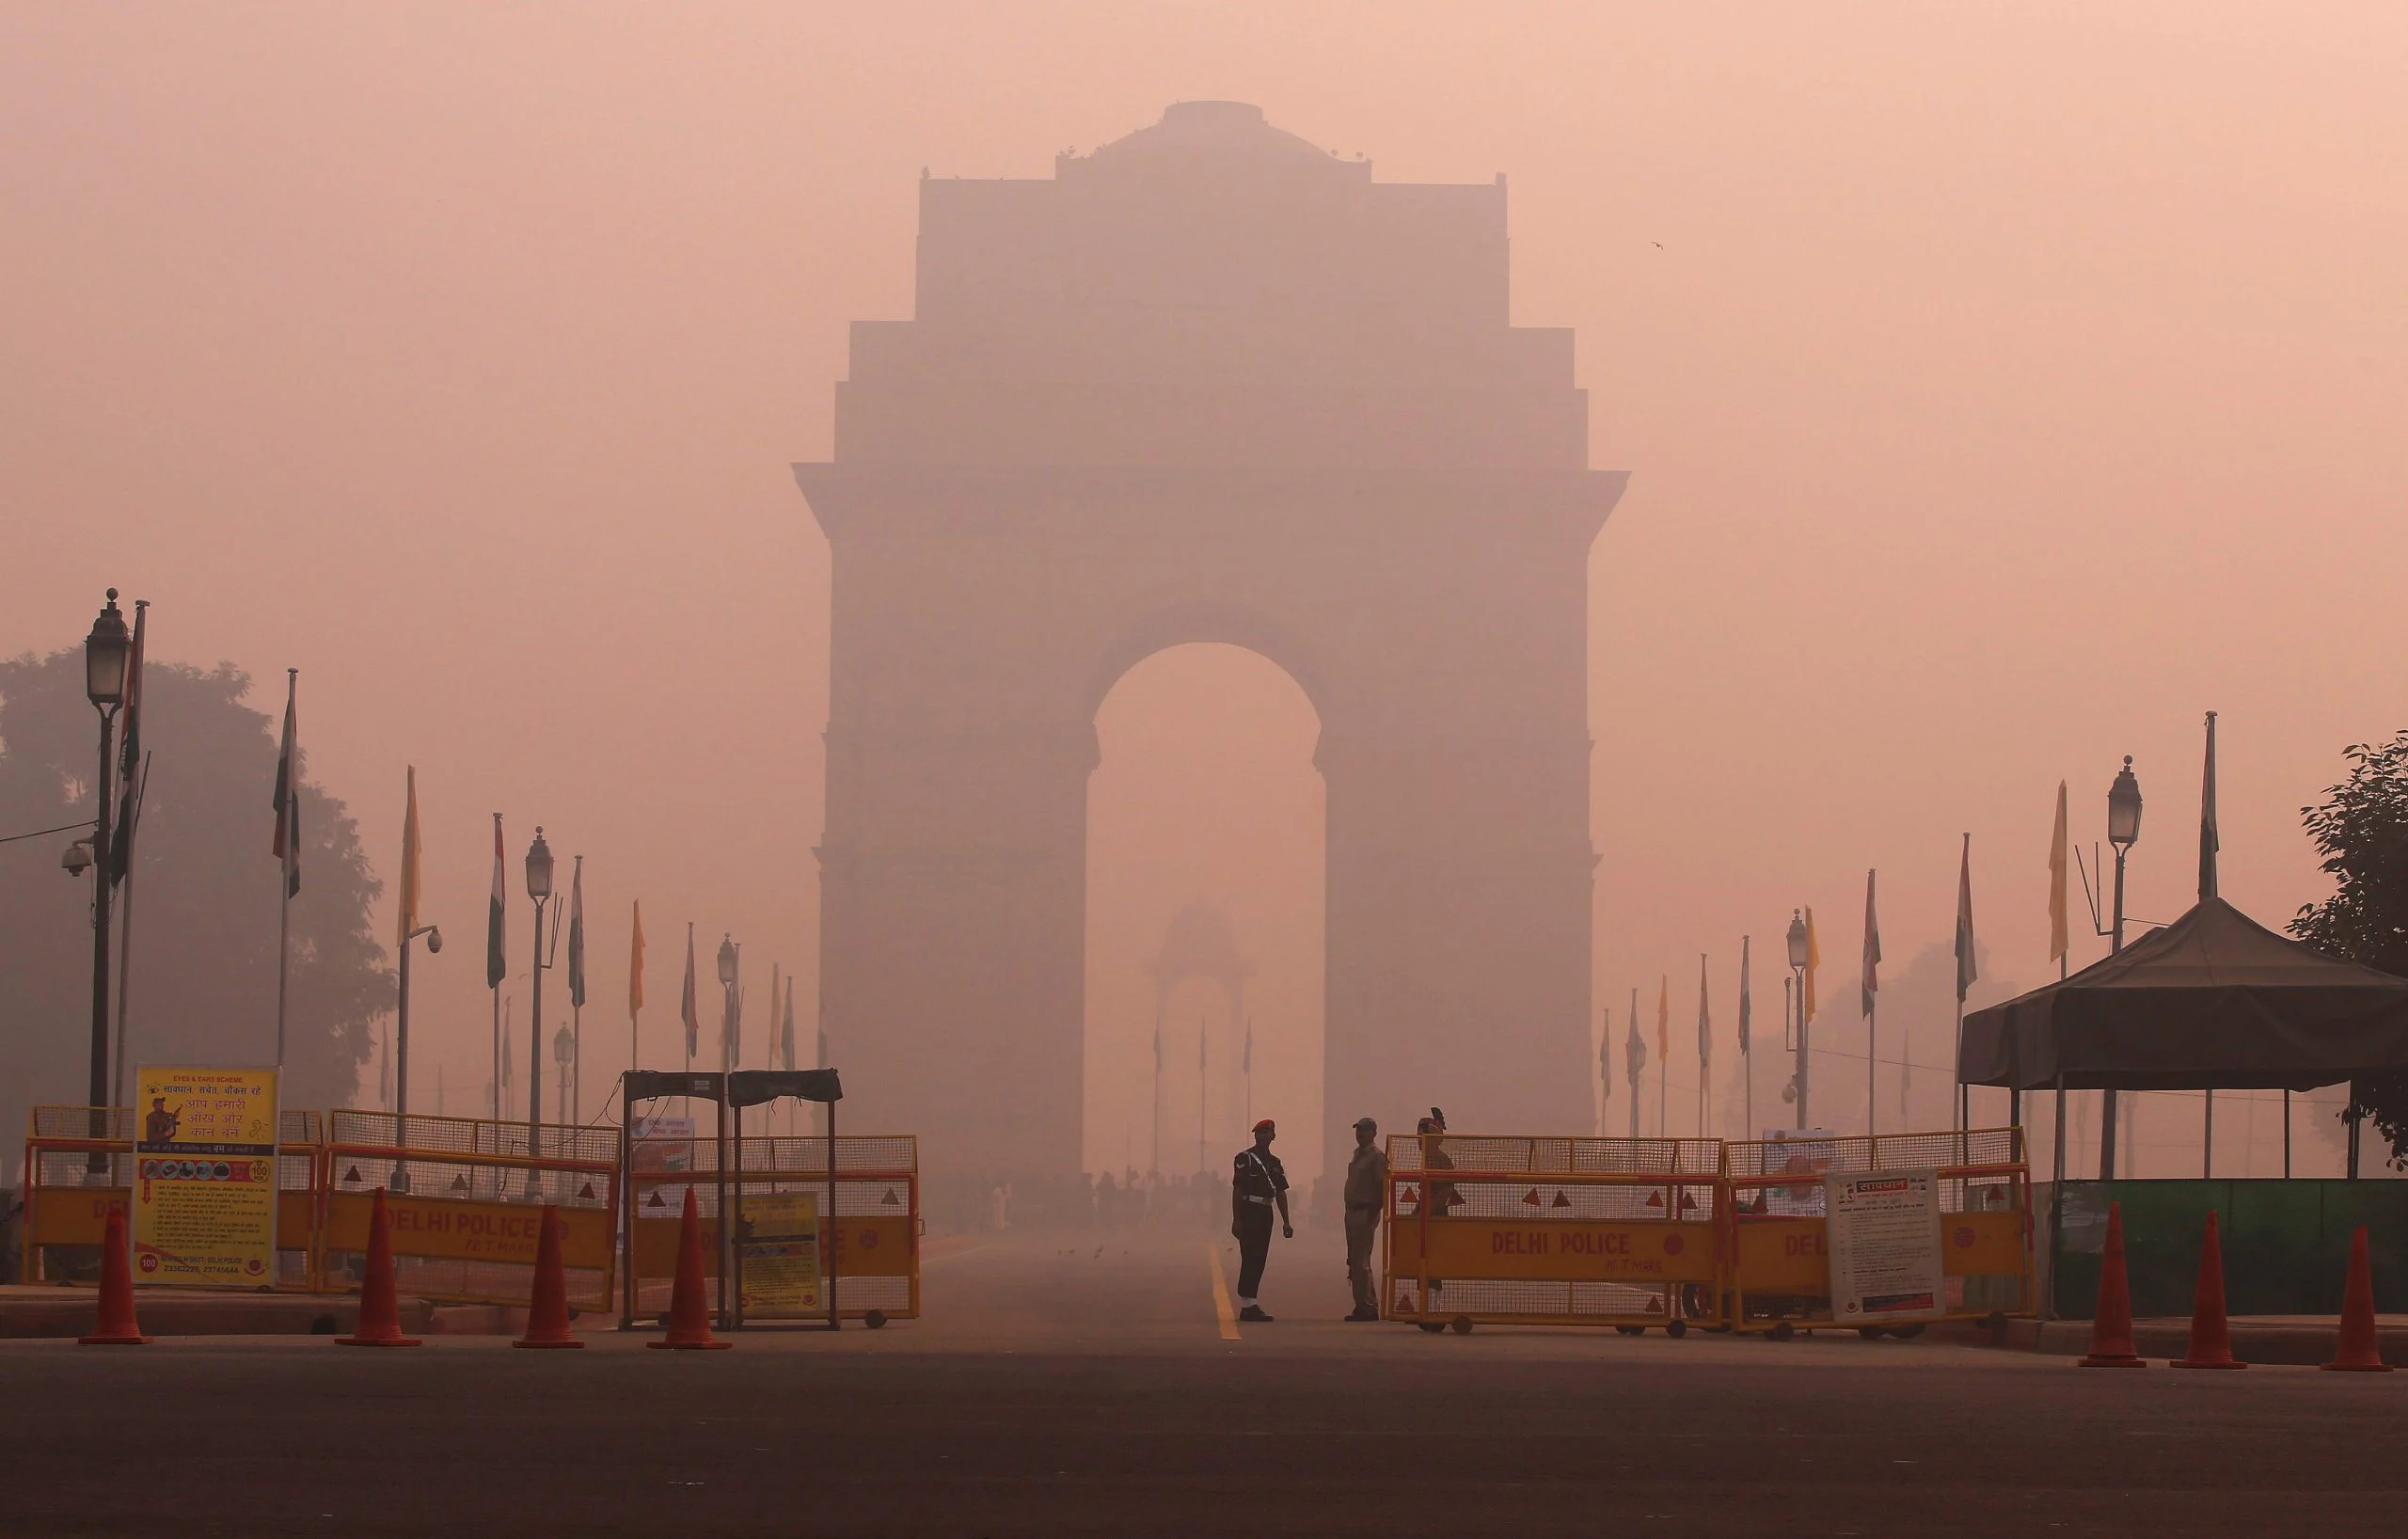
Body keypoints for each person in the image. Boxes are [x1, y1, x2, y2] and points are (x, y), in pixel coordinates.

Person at [1229, 1118, 1291, 1322]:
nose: (1263, 1136)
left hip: (1266, 1211)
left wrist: (1286, 1221)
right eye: (1259, 1133)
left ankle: (1251, 1301)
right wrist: (1236, 1219)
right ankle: (1248, 1304)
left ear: (1273, 1136)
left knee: (1260, 1257)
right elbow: (1238, 1190)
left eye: (1267, 1133)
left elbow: (1280, 1192)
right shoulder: (1245, 1158)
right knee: (1249, 1256)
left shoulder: (1275, 1163)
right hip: (1249, 1210)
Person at [1342, 1117, 1386, 1321]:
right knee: (1354, 1260)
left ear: (1373, 1133)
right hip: (1352, 1211)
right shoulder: (1358, 1154)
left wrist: (1373, 1212)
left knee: (1361, 1261)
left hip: (1365, 1212)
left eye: (1364, 1131)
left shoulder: (1376, 1157)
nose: (1359, 1135)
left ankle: (1367, 1307)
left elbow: (1382, 1188)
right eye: (1358, 1131)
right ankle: (1362, 1304)